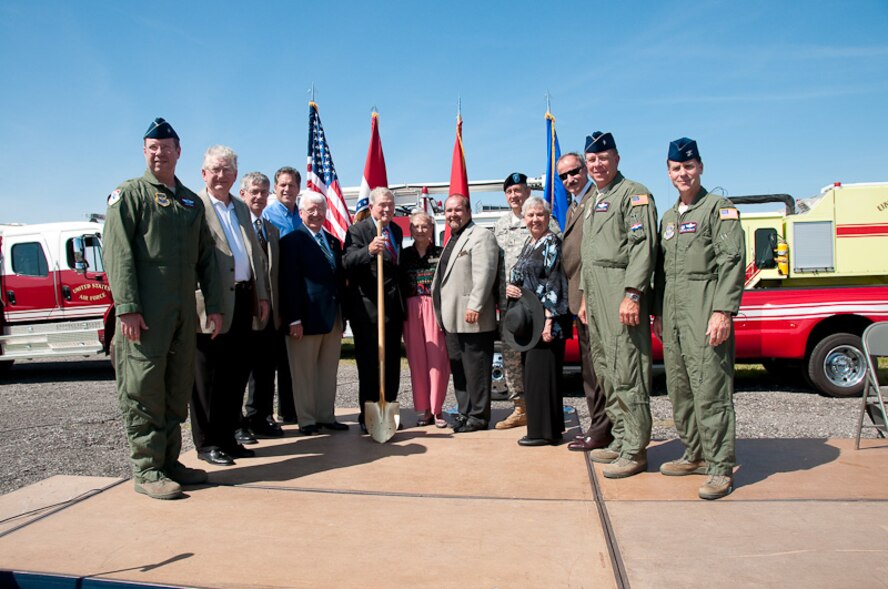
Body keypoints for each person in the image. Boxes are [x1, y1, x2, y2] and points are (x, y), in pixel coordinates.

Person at [104, 117, 222, 500]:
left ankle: (170, 462)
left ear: (178, 152)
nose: (160, 153)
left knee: (175, 388)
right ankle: (147, 469)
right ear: (144, 151)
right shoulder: (130, 195)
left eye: (166, 147)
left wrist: (215, 306)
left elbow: (207, 258)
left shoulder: (189, 201)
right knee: (143, 388)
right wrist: (127, 307)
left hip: (182, 312)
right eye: (152, 147)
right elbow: (118, 253)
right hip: (146, 312)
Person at [653, 138, 745, 500]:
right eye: (676, 168)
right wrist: (658, 312)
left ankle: (720, 467)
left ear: (701, 167)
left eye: (688, 167)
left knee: (711, 389)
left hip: (705, 307)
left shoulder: (718, 209)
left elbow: (732, 262)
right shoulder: (669, 217)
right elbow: (661, 272)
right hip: (673, 311)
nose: (683, 174)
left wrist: (723, 311)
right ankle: (694, 454)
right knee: (680, 387)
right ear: (669, 171)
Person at [578, 131, 658, 479]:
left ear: (617, 159)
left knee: (627, 369)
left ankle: (636, 449)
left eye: (603, 158)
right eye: (591, 159)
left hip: (619, 290)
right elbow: (589, 253)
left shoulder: (634, 195)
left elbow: (643, 247)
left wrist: (633, 292)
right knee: (605, 369)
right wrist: (583, 295)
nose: (597, 164)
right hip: (595, 293)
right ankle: (621, 437)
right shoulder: (594, 199)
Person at [191, 146, 269, 467]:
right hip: (212, 303)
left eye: (227, 170)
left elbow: (254, 255)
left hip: (243, 298)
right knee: (207, 377)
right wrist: (208, 302)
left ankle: (228, 437)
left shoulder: (239, 208)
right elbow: (192, 261)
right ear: (204, 173)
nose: (221, 175)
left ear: (235, 175)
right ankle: (207, 443)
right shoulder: (194, 207)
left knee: (235, 374)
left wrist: (261, 296)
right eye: (215, 169)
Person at [492, 173, 561, 430]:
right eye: (509, 191)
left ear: (527, 192)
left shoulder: (543, 220)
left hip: (535, 303)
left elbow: (556, 257)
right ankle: (519, 407)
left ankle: (539, 409)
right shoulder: (500, 225)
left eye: (519, 190)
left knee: (535, 357)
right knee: (511, 355)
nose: (514, 196)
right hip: (509, 304)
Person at [556, 153, 614, 452]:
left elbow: (594, 256)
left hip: (593, 300)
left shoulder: (596, 200)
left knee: (599, 370)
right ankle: (599, 426)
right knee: (589, 370)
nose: (569, 179)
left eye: (574, 172)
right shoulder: (574, 206)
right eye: (563, 176)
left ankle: (603, 430)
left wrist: (588, 297)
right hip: (579, 300)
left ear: (585, 170)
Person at [278, 192, 348, 435]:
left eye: (320, 209)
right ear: (301, 212)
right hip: (304, 319)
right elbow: (288, 283)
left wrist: (343, 316)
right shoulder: (291, 241)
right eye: (311, 210)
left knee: (328, 371)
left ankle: (326, 416)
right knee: (304, 373)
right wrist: (293, 318)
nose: (317, 213)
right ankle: (307, 420)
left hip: (332, 317)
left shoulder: (332, 241)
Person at [504, 196, 571, 446]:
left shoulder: (551, 242)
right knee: (534, 375)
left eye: (539, 215)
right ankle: (547, 429)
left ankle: (544, 433)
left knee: (543, 376)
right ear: (524, 218)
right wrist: (513, 288)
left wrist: (549, 320)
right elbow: (522, 277)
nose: (535, 219)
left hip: (544, 319)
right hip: (529, 320)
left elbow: (553, 281)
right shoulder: (529, 243)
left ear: (547, 217)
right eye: (530, 215)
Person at [432, 194, 499, 432]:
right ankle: (464, 412)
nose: (452, 214)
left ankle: (479, 417)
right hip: (451, 318)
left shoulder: (481, 236)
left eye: (457, 210)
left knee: (477, 369)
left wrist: (476, 305)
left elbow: (485, 274)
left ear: (468, 211)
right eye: (448, 211)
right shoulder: (453, 239)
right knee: (459, 369)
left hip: (472, 316)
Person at [343, 187, 405, 433]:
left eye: (390, 205)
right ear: (371, 207)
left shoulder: (397, 231)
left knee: (391, 364)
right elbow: (346, 262)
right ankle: (367, 415)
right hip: (368, 309)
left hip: (392, 309)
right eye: (382, 205)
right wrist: (368, 251)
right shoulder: (357, 231)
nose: (387, 210)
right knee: (369, 365)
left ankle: (388, 411)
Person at [238, 172, 285, 440]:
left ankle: (260, 416)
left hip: (270, 312)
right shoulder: (235, 226)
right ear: (243, 194)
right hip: (244, 310)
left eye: (264, 192)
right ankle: (237, 422)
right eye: (254, 191)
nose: (259, 197)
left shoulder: (271, 230)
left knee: (266, 370)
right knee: (239, 372)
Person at [400, 211, 450, 428]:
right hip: (410, 309)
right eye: (416, 227)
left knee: (437, 360)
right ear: (410, 229)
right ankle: (424, 409)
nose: (421, 230)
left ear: (432, 228)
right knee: (417, 360)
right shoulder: (403, 255)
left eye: (425, 226)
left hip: (433, 306)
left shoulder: (442, 253)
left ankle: (438, 409)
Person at [259, 166, 300, 424]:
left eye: (292, 185)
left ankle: (289, 410)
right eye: (282, 185)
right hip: (274, 295)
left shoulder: (301, 215)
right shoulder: (267, 217)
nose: (287, 189)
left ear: (298, 188)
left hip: (296, 295)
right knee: (267, 360)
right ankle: (262, 414)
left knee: (290, 360)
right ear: (276, 188)